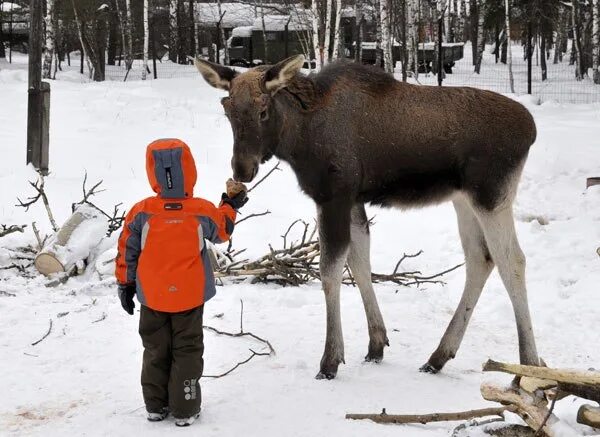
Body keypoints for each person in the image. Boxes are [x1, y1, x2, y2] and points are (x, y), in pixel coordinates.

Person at [115, 138, 248, 427]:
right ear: (189, 169)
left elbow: (127, 249)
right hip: (189, 297)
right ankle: (185, 407)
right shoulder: (200, 211)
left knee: (155, 349)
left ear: (153, 173)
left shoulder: (142, 211)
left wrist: (125, 284)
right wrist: (230, 203)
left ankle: (155, 405)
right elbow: (222, 230)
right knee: (186, 350)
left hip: (152, 296)